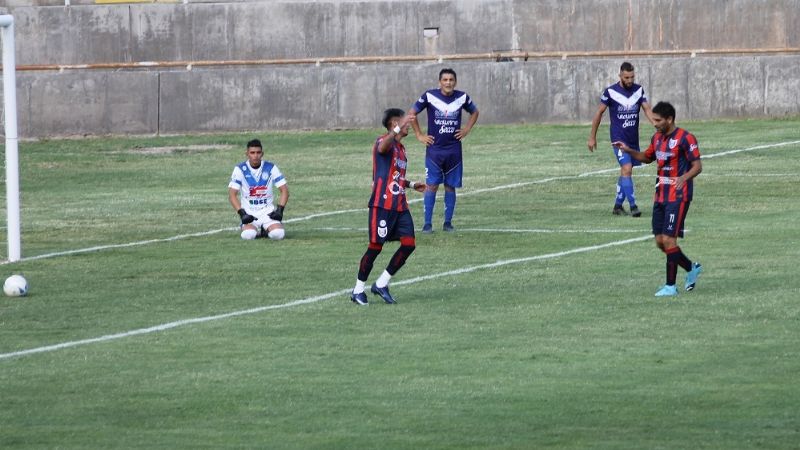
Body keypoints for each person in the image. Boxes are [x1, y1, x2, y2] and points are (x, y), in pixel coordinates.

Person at [614, 101, 703, 297]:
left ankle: (670, 286)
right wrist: (628, 150)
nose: (654, 123)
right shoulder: (657, 138)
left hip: (678, 196)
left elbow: (697, 166)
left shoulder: (686, 138)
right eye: (653, 119)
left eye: (658, 120)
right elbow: (647, 157)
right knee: (660, 242)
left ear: (669, 119)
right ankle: (691, 267)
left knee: (669, 240)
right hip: (660, 194)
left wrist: (683, 178)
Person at [350, 108, 426, 306]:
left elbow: (395, 176)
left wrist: (410, 185)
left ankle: (382, 283)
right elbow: (383, 148)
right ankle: (358, 290)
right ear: (394, 124)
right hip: (382, 205)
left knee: (409, 244)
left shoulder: (401, 149)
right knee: (375, 247)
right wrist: (398, 128)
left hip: (400, 205)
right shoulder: (383, 141)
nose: (408, 124)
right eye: (403, 122)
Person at [408, 68, 479, 233]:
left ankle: (448, 223)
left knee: (450, 186)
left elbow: (475, 112)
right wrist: (419, 134)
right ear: (440, 82)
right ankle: (427, 224)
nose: (448, 83)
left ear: (455, 82)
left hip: (454, 151)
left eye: (451, 80)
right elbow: (412, 113)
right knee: (431, 186)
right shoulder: (429, 96)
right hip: (434, 151)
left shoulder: (462, 97)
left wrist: (467, 129)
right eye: (445, 80)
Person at [588, 62, 655, 217]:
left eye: (632, 77)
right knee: (627, 169)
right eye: (626, 77)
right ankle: (633, 207)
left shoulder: (638, 90)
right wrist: (592, 137)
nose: (630, 80)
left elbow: (647, 109)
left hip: (632, 140)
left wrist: (657, 125)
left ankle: (618, 206)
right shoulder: (610, 92)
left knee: (625, 172)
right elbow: (599, 113)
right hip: (618, 139)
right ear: (620, 75)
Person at [228, 138, 289, 240]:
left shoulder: (271, 168)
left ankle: (266, 229)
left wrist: (279, 210)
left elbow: (285, 191)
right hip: (250, 215)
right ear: (247, 153)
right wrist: (242, 213)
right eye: (252, 153)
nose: (255, 156)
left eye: (258, 152)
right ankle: (259, 231)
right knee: (248, 236)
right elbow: (232, 195)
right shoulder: (239, 169)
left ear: (262, 153)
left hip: (268, 214)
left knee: (278, 234)